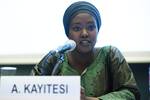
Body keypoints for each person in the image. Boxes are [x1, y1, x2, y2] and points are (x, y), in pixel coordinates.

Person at [31, 1, 140, 100]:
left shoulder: (110, 55)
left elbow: (131, 93)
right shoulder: (56, 58)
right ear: (68, 33)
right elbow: (29, 89)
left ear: (98, 30)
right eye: (77, 28)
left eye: (91, 27)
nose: (84, 33)